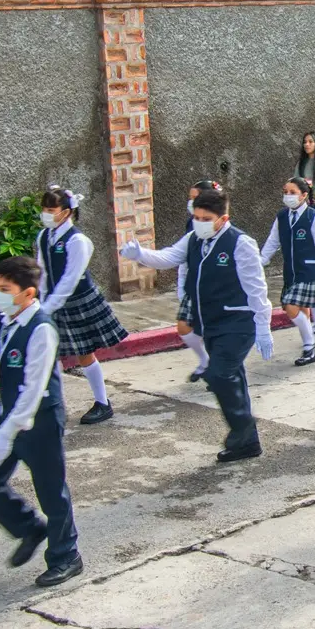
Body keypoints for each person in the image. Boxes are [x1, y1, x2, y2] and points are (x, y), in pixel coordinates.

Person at [121, 189, 274, 463]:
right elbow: (168, 257)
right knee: (233, 378)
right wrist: (139, 254)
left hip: (238, 322)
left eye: (205, 218)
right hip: (211, 322)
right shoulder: (194, 238)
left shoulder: (241, 243)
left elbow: (256, 288)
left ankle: (242, 428)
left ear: (222, 218)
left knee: (218, 375)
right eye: (196, 216)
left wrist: (263, 326)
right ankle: (247, 444)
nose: (198, 222)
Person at [0, 255, 83, 588]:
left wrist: (8, 432)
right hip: (9, 415)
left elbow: (34, 389)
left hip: (40, 420)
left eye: (5, 289)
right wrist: (4, 424)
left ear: (29, 294)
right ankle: (30, 528)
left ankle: (67, 556)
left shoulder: (41, 330)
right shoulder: (7, 320)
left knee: (51, 491)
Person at [35, 187, 128, 426]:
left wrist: (49, 306)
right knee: (48, 352)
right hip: (52, 302)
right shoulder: (43, 237)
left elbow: (70, 278)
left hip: (78, 301)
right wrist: (40, 301)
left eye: (51, 210)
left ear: (66, 213)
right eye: (44, 209)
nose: (45, 214)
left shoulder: (78, 241)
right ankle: (50, 406)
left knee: (84, 353)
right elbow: (43, 272)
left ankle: (103, 402)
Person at [260, 178, 315, 366]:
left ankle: (309, 343)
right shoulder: (282, 217)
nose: (288, 196)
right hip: (291, 271)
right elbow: (273, 241)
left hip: (309, 270)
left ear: (304, 195)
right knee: (301, 308)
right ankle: (308, 344)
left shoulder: (314, 217)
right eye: (285, 191)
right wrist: (261, 259)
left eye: (292, 192)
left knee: (289, 306)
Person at [176, 180, 223, 381]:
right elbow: (182, 255)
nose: (190, 201)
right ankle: (205, 361)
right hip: (194, 285)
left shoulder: (223, 228)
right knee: (184, 326)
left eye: (195, 198)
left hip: (215, 287)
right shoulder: (192, 225)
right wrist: (182, 283)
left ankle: (222, 367)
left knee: (215, 332)